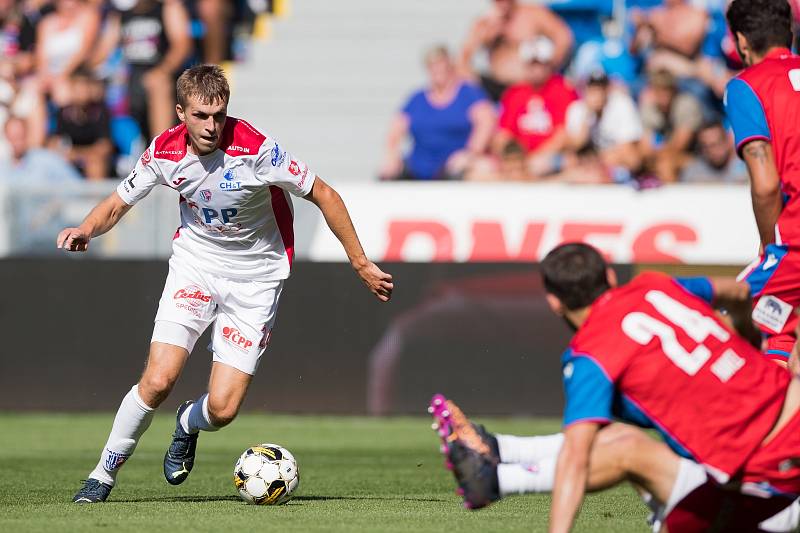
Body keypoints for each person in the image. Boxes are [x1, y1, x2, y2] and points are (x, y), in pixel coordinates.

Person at [60, 65, 394, 503]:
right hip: (196, 266)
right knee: (158, 379)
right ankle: (102, 474)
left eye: (219, 115)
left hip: (256, 280)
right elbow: (118, 202)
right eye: (201, 115)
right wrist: (86, 228)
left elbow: (325, 195)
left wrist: (360, 262)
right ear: (181, 112)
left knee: (223, 409)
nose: (212, 126)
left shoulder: (257, 150)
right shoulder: (163, 151)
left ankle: (187, 423)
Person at [429, 243, 800, 532]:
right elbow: (737, 293)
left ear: (554, 303)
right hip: (789, 414)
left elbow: (577, 458)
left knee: (622, 444)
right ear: (609, 276)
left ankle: (495, 474)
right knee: (625, 438)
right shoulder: (655, 284)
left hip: (768, 479)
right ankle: (499, 457)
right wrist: (750, 343)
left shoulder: (591, 355)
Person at [725, 0, 800, 361]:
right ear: (791, 33)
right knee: (776, 324)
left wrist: (769, 247)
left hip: (795, 242)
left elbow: (766, 182)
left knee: (720, 317)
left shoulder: (747, 87)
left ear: (741, 41)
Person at [380, 45, 494, 181]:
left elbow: (486, 123)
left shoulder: (468, 93)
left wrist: (470, 154)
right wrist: (392, 156)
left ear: (449, 66)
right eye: (433, 67)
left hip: (453, 167)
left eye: (441, 65)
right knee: (387, 176)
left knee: (479, 171)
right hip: (419, 167)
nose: (438, 71)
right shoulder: (417, 99)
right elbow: (395, 130)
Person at [94, 0, 192, 140]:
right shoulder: (120, 14)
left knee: (158, 84)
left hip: (165, 76)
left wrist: (162, 71)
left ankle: (161, 149)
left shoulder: (167, 8)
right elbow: (103, 51)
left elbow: (182, 46)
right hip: (133, 79)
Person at [493, 37, 578, 179]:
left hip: (549, 157)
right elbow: (503, 136)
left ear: (549, 64)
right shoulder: (514, 93)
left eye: (540, 64)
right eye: (532, 64)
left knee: (564, 163)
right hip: (518, 159)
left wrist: (534, 159)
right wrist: (514, 159)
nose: (536, 69)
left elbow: (563, 136)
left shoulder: (563, 90)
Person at [459, 0, 572, 102]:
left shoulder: (532, 14)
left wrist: (549, 66)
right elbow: (463, 59)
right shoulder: (485, 23)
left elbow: (563, 37)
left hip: (532, 87)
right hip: (498, 88)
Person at [564, 70, 643, 181]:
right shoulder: (577, 109)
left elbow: (629, 151)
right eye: (593, 89)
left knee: (629, 158)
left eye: (601, 89)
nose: (598, 94)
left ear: (608, 90)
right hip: (588, 161)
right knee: (570, 161)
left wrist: (598, 160)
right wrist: (588, 114)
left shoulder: (621, 104)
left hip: (611, 162)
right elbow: (574, 145)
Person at [639, 69, 704, 183]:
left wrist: (654, 156)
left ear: (675, 91)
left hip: (697, 158)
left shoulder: (687, 104)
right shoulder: (649, 108)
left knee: (665, 165)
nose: (663, 97)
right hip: (661, 157)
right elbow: (645, 149)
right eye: (659, 91)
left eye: (667, 91)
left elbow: (679, 145)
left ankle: (672, 200)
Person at [48, 68, 113, 180]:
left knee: (95, 163)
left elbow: (105, 146)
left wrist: (81, 155)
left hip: (92, 159)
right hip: (69, 160)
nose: (82, 92)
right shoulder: (63, 112)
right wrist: (68, 154)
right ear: (71, 89)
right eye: (78, 87)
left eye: (85, 86)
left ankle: (96, 197)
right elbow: (53, 142)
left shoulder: (100, 112)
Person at [1, 115, 82, 182]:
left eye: (20, 136)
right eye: (13, 137)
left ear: (27, 134)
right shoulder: (3, 168)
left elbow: (77, 185)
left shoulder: (47, 160)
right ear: (6, 137)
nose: (17, 142)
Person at [680, 121, 748, 183]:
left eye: (715, 144)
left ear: (727, 141)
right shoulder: (692, 173)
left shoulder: (746, 169)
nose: (711, 151)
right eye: (705, 146)